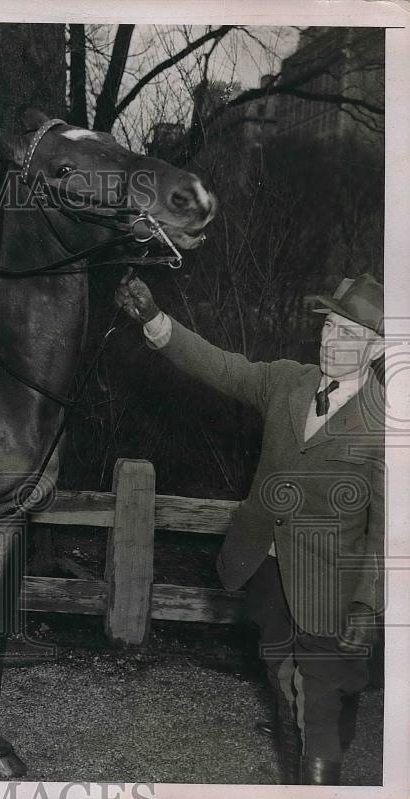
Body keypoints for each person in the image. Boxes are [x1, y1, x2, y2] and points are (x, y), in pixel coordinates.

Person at [115, 273, 385, 785]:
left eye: (348, 334)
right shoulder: (288, 380)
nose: (331, 341)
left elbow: (389, 529)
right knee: (283, 685)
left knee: (323, 706)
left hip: (334, 588)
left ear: (374, 349)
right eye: (329, 328)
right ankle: (297, 769)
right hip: (265, 569)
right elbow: (221, 367)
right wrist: (154, 320)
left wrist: (367, 604)